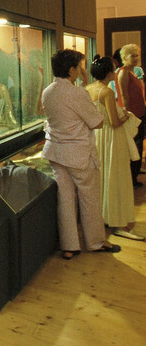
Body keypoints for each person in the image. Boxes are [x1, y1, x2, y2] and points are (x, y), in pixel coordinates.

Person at [41, 49, 120, 259]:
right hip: (78, 154)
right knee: (90, 198)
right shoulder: (76, 93)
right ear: (71, 70)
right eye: (79, 67)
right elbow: (98, 122)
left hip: (56, 152)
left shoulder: (48, 91)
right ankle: (95, 242)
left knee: (65, 199)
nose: (81, 70)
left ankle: (69, 246)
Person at [86, 55, 144, 240]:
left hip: (98, 136)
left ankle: (104, 217)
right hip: (111, 138)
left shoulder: (88, 88)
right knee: (117, 177)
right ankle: (118, 221)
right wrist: (127, 116)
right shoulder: (106, 92)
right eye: (112, 69)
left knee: (103, 177)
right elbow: (115, 122)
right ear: (108, 73)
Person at [116, 44, 146, 187]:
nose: (135, 58)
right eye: (132, 55)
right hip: (132, 114)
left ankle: (134, 174)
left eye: (136, 55)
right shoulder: (123, 72)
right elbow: (123, 95)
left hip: (140, 113)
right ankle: (131, 178)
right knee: (135, 145)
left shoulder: (134, 72)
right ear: (124, 57)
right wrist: (127, 113)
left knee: (139, 144)